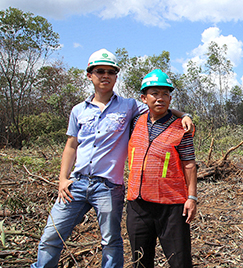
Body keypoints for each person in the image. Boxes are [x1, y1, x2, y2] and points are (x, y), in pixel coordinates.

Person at [32, 49, 194, 268]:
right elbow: (71, 145)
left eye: (110, 71)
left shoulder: (128, 107)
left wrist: (184, 115)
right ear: (90, 75)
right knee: (52, 235)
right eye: (100, 71)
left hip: (108, 187)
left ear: (116, 76)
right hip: (77, 183)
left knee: (111, 241)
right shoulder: (78, 110)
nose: (105, 75)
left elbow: (158, 105)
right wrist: (62, 179)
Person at [126, 69, 197, 268]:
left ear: (170, 98)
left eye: (165, 94)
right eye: (155, 93)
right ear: (143, 97)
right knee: (140, 261)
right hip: (137, 204)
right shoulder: (134, 121)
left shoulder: (181, 127)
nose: (160, 98)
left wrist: (192, 198)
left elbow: (189, 163)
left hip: (172, 206)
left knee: (180, 261)